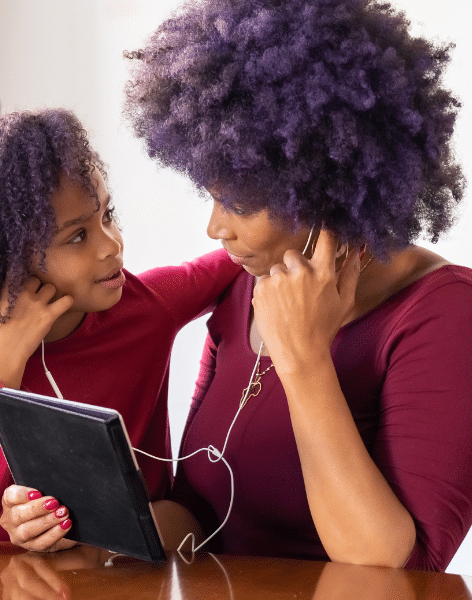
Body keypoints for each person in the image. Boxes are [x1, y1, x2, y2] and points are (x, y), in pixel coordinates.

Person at [119, 0, 472, 571]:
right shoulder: (247, 288)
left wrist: (304, 357)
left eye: (237, 202)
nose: (215, 228)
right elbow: (199, 519)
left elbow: (396, 568)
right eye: (210, 196)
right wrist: (90, 520)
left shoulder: (446, 315)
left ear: (322, 190)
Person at [0, 108, 239, 548]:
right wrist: (1, 363)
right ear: (6, 263)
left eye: (107, 215)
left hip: (126, 579)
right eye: (77, 237)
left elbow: (246, 252)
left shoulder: (146, 306)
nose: (112, 245)